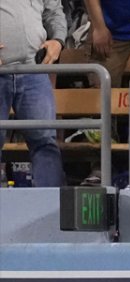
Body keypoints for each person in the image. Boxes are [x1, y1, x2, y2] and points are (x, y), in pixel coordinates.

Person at [0, 0, 66, 187]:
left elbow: (54, 12)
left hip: (33, 71)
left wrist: (58, 40)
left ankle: (53, 208)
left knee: (45, 141)